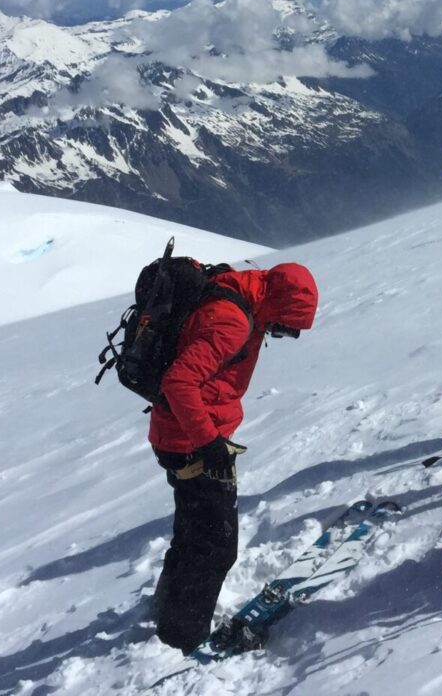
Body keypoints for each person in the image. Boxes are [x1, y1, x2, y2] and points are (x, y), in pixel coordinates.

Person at [148, 262, 319, 653]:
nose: (283, 334)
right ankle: (186, 636)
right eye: (285, 326)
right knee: (216, 545)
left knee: (192, 529)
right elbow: (179, 382)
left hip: (178, 436)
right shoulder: (232, 321)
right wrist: (209, 444)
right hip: (193, 442)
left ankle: (170, 609)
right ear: (276, 304)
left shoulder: (242, 294)